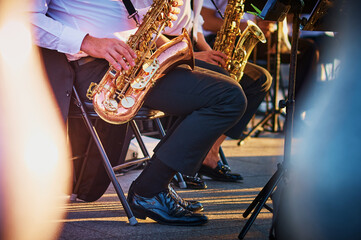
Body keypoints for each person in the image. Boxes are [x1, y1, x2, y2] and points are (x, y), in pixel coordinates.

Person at [30, 0, 248, 226]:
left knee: (227, 83)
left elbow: (172, 29)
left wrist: (167, 11)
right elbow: (27, 20)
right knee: (227, 97)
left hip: (132, 57)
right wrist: (88, 42)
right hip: (92, 66)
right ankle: (150, 190)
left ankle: (157, 185)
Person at [162, 0, 271, 186]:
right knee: (224, 88)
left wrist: (210, 53)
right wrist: (192, 55)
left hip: (189, 48)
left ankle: (210, 151)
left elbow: (195, 25)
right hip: (169, 53)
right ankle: (183, 161)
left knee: (259, 79)